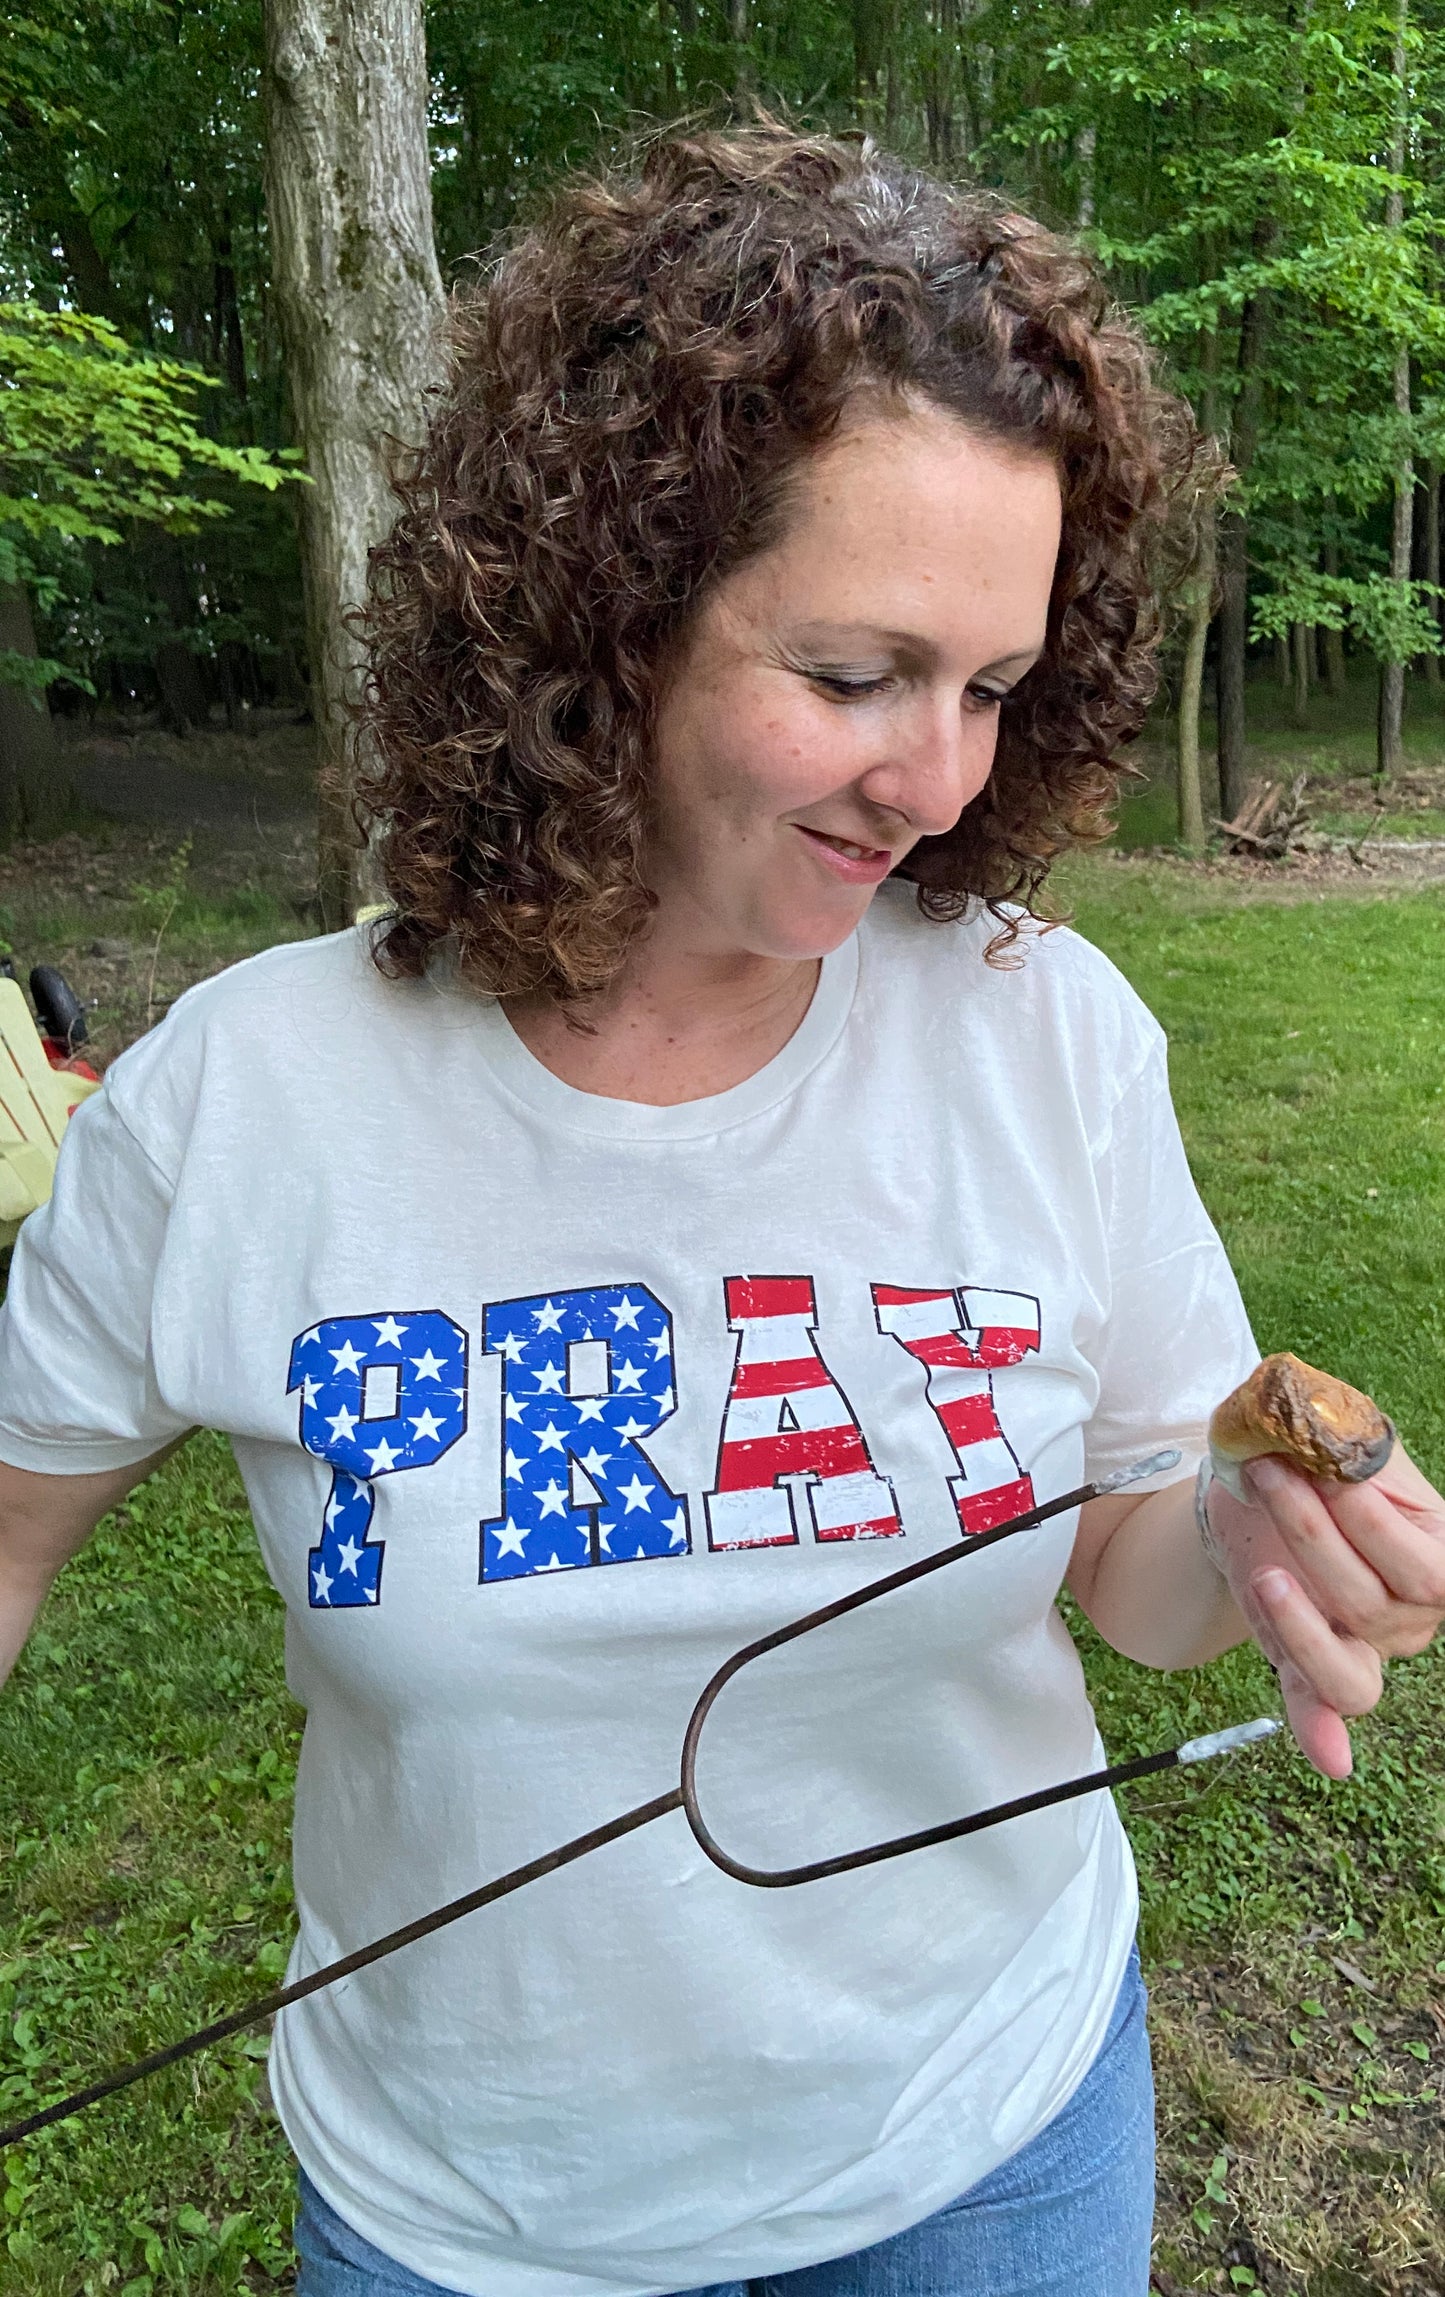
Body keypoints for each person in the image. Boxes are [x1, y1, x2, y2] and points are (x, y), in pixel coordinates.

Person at [0, 125, 1442, 2297]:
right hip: (468, 2221)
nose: (942, 778)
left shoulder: (1043, 1038)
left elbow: (1127, 1565)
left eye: (990, 685)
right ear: (602, 611)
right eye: (856, 676)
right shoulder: (247, 1105)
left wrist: (1242, 1539)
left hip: (998, 2149)